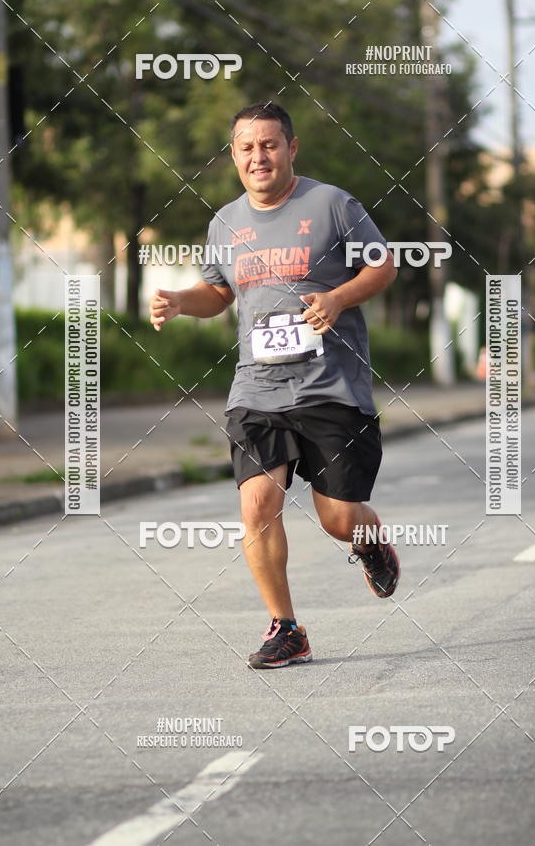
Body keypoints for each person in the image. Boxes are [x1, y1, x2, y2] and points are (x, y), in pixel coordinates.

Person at [149, 102, 400, 669]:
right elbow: (218, 293)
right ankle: (286, 628)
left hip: (331, 387)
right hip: (257, 389)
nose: (258, 156)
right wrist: (180, 301)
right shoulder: (224, 223)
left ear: (291, 148)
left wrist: (337, 298)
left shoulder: (332, 205)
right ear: (234, 155)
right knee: (258, 503)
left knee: (338, 520)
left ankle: (369, 541)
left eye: (269, 144)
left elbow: (383, 266)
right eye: (247, 147)